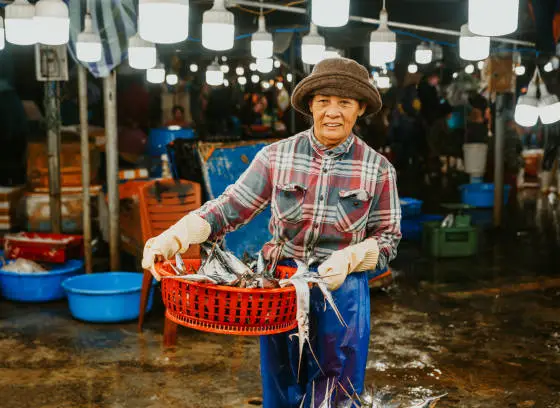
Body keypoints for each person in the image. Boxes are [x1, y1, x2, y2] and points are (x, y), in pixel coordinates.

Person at [141, 58, 402, 407]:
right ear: (311, 105)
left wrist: (353, 257)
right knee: (282, 385)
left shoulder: (378, 169)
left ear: (361, 109)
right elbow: (231, 206)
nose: (333, 112)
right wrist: (180, 232)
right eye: (324, 101)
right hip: (281, 287)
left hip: (344, 290)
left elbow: (388, 238)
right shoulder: (276, 156)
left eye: (345, 103)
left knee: (336, 391)